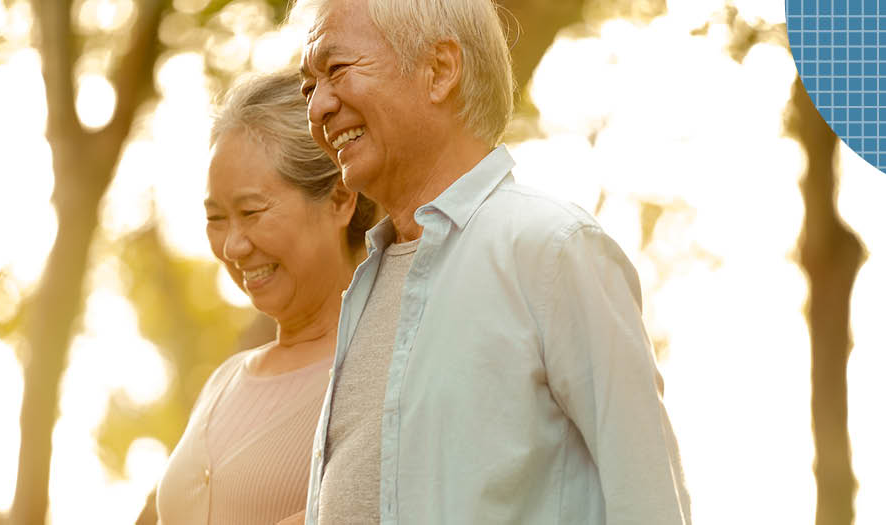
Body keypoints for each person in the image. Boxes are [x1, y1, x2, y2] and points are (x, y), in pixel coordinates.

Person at [296, 0, 691, 523]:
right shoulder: (367, 283)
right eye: (308, 87)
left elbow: (649, 501)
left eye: (337, 69)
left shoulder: (554, 249)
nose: (317, 109)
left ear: (439, 70)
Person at [156, 70, 376, 525]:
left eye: (251, 212)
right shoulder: (224, 381)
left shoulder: (381, 374)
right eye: (217, 219)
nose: (233, 246)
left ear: (339, 199)